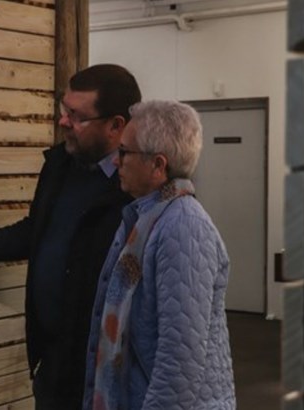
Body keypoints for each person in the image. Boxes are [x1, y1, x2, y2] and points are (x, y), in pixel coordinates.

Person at [0, 64, 142, 409]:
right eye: (63, 109)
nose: (63, 122)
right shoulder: (60, 165)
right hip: (54, 362)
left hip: (104, 368)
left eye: (77, 116)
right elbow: (39, 229)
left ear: (116, 126)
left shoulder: (136, 190)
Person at [83, 100, 236, 410]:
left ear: (157, 165)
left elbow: (179, 361)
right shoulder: (145, 217)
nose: (116, 161)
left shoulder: (183, 226)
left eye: (124, 152)